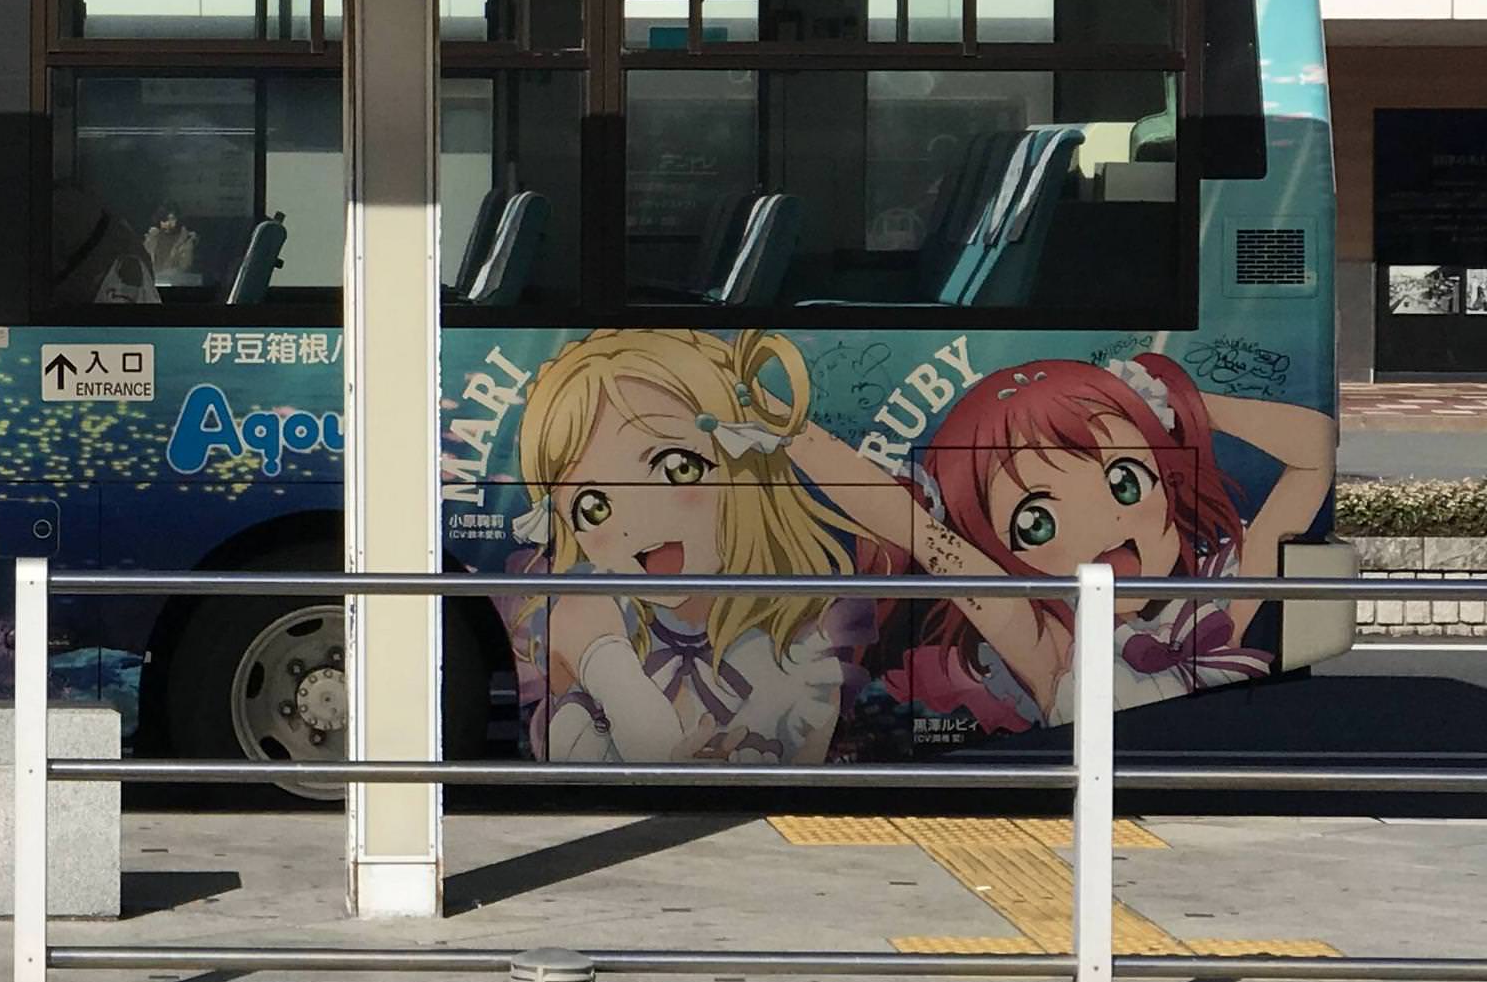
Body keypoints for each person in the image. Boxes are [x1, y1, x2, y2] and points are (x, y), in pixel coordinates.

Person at [896, 351, 1333, 725]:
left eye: (1125, 482)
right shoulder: (1049, 644)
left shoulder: (1212, 603)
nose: (1103, 526)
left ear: (1169, 483)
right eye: (1036, 523)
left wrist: (1180, 405)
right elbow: (915, 531)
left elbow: (1316, 448)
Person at [509, 327, 872, 763]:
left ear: (746, 467)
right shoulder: (589, 622)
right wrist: (609, 666)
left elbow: (796, 778)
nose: (637, 521)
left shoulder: (797, 652)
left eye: (678, 468)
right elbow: (576, 771)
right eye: (594, 506)